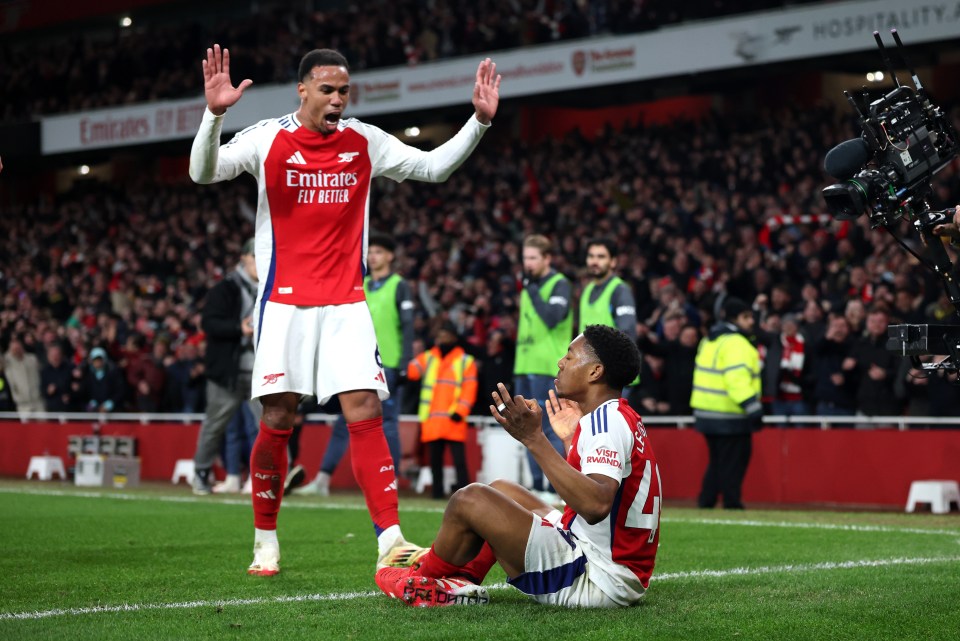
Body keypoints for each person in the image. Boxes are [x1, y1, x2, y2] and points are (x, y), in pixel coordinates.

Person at [189, 45, 500, 575]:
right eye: (328, 90)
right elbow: (204, 172)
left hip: (346, 304)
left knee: (364, 411)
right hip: (284, 306)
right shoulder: (267, 138)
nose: (337, 100)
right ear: (303, 89)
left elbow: (433, 168)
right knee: (280, 417)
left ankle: (390, 539)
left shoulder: (364, 140)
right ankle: (265, 538)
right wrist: (214, 116)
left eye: (344, 91)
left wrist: (478, 123)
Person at [374, 325, 660, 608]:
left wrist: (534, 439)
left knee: (469, 499)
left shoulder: (604, 423)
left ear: (595, 372)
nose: (561, 363)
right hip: (613, 565)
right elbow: (595, 494)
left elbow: (596, 505)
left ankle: (421, 581)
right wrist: (571, 441)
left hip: (597, 577)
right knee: (501, 490)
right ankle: (460, 580)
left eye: (570, 356)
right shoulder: (619, 415)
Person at [295, 233, 414, 496]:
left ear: (390, 256)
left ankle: (389, 482)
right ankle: (323, 480)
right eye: (370, 252)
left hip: (389, 363)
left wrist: (406, 362)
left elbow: (407, 327)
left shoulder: (399, 285)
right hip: (357, 361)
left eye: (379, 252)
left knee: (389, 424)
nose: (373, 256)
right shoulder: (361, 283)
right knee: (343, 421)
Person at [191, 238, 262, 495]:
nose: (259, 261)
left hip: (260, 371)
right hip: (227, 371)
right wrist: (238, 329)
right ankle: (200, 473)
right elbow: (209, 323)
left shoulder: (272, 286)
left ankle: (275, 477)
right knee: (215, 424)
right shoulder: (226, 288)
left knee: (271, 424)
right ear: (244, 258)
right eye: (255, 255)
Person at [513, 234, 572, 496]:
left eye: (533, 258)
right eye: (525, 258)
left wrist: (532, 289)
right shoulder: (528, 285)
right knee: (526, 426)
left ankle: (554, 486)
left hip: (547, 365)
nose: (528, 263)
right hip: (524, 364)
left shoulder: (559, 284)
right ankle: (537, 487)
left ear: (547, 258)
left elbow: (551, 318)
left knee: (548, 427)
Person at [690, 297, 762, 510]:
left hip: (706, 413)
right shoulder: (737, 343)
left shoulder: (710, 339)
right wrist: (752, 406)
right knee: (734, 462)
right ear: (735, 319)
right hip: (730, 414)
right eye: (746, 317)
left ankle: (707, 500)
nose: (751, 321)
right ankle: (732, 503)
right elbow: (736, 379)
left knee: (718, 462)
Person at [406, 320, 478, 499]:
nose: (440, 338)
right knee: (435, 462)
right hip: (434, 421)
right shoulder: (430, 356)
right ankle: (437, 494)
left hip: (453, 419)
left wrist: (460, 411)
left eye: (444, 334)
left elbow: (470, 390)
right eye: (438, 335)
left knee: (459, 462)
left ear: (453, 337)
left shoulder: (464, 361)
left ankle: (467, 496)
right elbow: (411, 372)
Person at [579, 238, 638, 389]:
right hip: (593, 375)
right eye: (591, 256)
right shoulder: (587, 290)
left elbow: (627, 334)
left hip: (613, 379)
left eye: (601, 257)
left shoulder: (620, 290)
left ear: (613, 262)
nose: (594, 261)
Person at [4, 338, 45, 413]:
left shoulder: (32, 359)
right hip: (22, 404)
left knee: (42, 424)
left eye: (18, 348)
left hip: (38, 401)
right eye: (14, 349)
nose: (17, 350)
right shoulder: (8, 362)